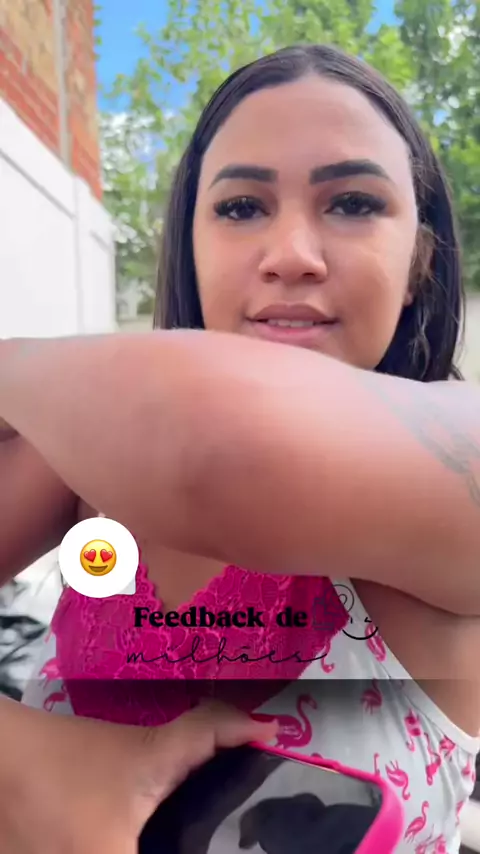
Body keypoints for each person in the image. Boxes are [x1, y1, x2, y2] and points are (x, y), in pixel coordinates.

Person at [0, 43, 479, 853]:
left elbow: (216, 450)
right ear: (190, 247)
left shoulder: (465, 454)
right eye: (241, 207)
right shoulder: (85, 463)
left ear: (419, 264)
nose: (291, 254)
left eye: (353, 202)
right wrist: (47, 768)